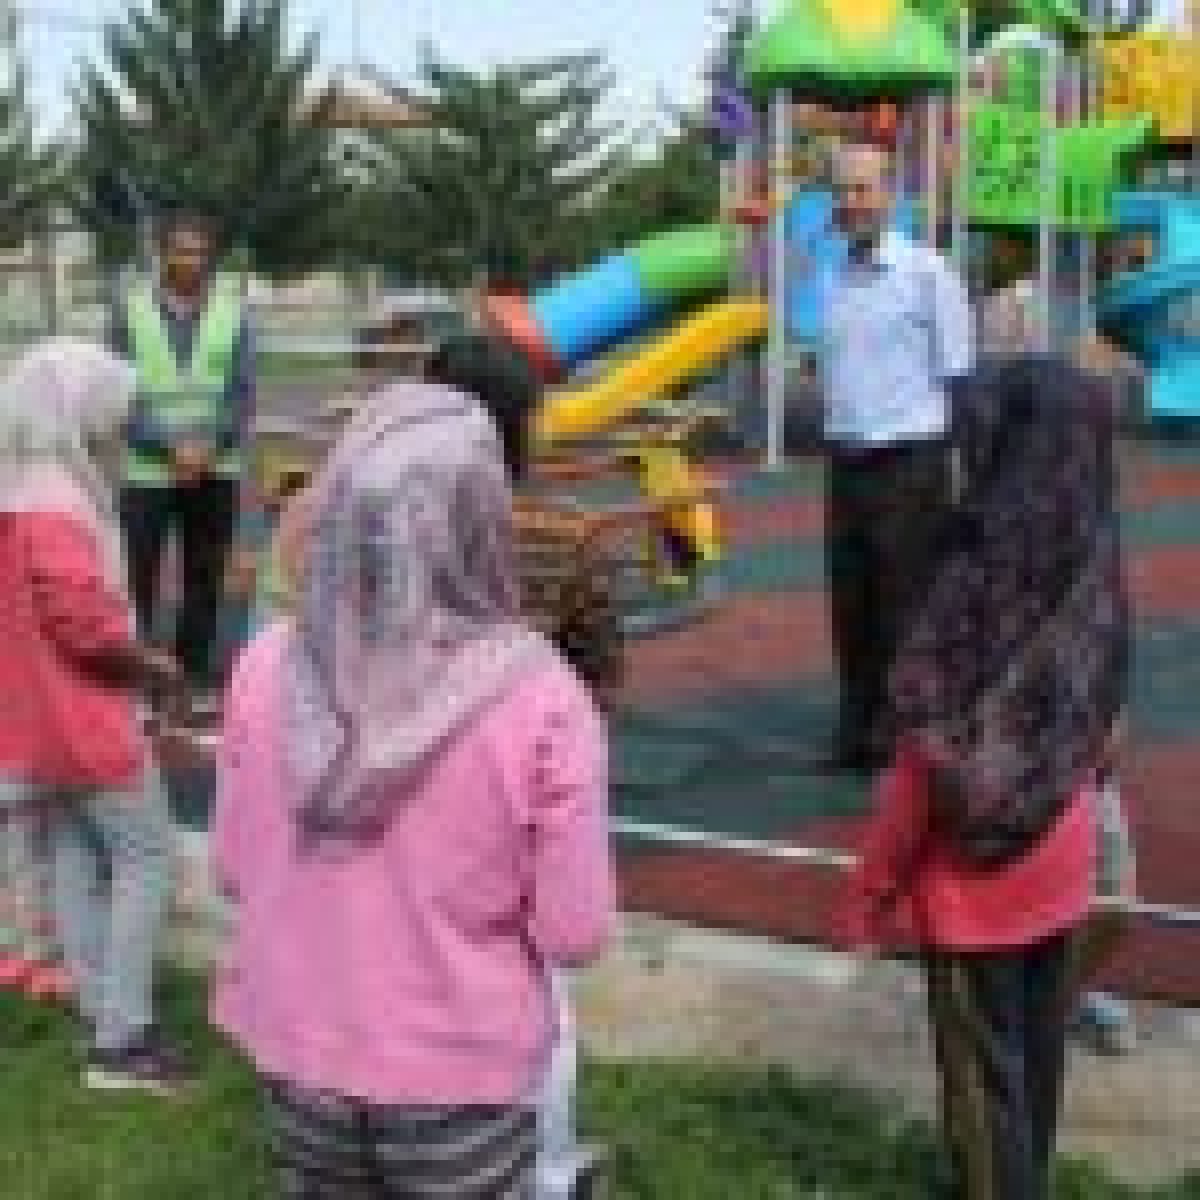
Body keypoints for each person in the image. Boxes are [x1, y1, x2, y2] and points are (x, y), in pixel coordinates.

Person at [212, 376, 615, 1199]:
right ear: (484, 519)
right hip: (462, 1070)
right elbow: (574, 931)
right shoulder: (539, 694)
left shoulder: (267, 666)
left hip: (301, 1051)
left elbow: (230, 867)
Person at [839, 354, 1129, 1198]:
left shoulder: (969, 591)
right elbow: (1106, 735)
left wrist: (871, 892)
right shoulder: (1095, 575)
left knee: (979, 1081)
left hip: (976, 897)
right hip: (1064, 867)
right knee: (1035, 1059)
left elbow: (921, 764)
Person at [428, 331, 622, 1198]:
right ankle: (542, 1166)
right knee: (536, 985)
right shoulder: (560, 533)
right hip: (517, 792)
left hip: (394, 788)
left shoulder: (370, 528)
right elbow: (598, 666)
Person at [0, 338, 189, 1092]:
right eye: (109, 411)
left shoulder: (16, 489)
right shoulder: (57, 501)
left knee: (78, 854)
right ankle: (123, 1039)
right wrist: (150, 665)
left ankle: (97, 1005)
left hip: (33, 719)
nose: (118, 426)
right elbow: (83, 627)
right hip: (84, 718)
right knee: (148, 856)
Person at [821, 140, 973, 772]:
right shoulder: (834, 276)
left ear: (891, 195)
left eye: (864, 189)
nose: (852, 201)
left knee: (906, 606)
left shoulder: (928, 274)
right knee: (851, 603)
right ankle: (857, 733)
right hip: (846, 458)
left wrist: (962, 470)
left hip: (911, 460)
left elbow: (959, 374)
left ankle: (906, 743)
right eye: (843, 190)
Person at [111, 210, 257, 716]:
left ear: (209, 257)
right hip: (147, 471)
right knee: (137, 577)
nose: (189, 260)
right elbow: (120, 393)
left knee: (204, 576)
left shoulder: (233, 314)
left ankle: (190, 679)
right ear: (163, 254)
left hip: (214, 468)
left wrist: (207, 448)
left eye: (198, 251)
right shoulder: (130, 313)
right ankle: (139, 679)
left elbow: (241, 395)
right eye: (180, 251)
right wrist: (169, 448)